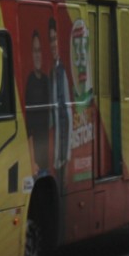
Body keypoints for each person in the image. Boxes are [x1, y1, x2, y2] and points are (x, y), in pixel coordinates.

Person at [25, 30, 50, 176]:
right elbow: (29, 129)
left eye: (39, 50)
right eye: (34, 51)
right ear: (31, 54)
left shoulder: (46, 80)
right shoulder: (30, 83)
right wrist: (32, 161)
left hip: (48, 156)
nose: (37, 55)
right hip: (37, 161)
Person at [48, 17, 73, 171]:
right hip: (56, 144)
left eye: (56, 39)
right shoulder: (50, 72)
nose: (54, 44)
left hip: (64, 142)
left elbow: (68, 106)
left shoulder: (64, 70)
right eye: (51, 40)